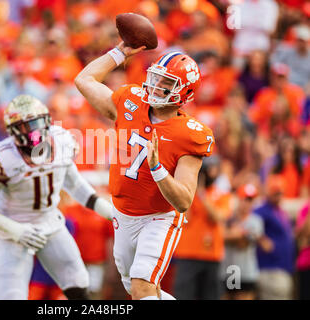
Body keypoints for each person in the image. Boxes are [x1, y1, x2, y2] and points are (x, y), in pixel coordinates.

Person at [74, 43, 214, 300]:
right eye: (156, 77)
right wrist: (119, 53)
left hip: (158, 217)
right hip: (123, 214)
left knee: (142, 287)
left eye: (166, 82)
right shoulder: (131, 102)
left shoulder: (190, 134)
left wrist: (157, 169)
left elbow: (183, 201)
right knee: (143, 291)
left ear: (184, 92)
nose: (155, 85)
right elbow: (84, 79)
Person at [0, 94, 113, 300]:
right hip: (14, 229)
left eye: (36, 122)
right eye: (25, 126)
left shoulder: (63, 141)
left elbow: (76, 185)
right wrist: (14, 228)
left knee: (78, 282)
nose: (33, 131)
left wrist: (109, 211)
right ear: (13, 130)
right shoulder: (3, 156)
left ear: (47, 120)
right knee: (12, 296)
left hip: (49, 222)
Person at [173, 156, 232, 300]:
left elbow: (218, 216)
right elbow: (186, 215)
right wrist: (193, 189)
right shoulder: (187, 193)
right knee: (184, 295)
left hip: (212, 255)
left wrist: (202, 195)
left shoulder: (221, 194)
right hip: (188, 253)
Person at [254, 175, 295, 300]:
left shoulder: (280, 211)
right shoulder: (263, 210)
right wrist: (261, 239)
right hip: (270, 269)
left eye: (280, 193)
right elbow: (249, 224)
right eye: (276, 193)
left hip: (283, 268)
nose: (278, 196)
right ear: (269, 193)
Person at [221, 183, 264, 300]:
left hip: (246, 272)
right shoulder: (228, 218)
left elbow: (243, 243)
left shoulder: (256, 221)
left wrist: (233, 233)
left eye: (250, 200)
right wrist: (238, 234)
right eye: (244, 199)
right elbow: (222, 236)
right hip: (228, 270)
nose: (246, 203)